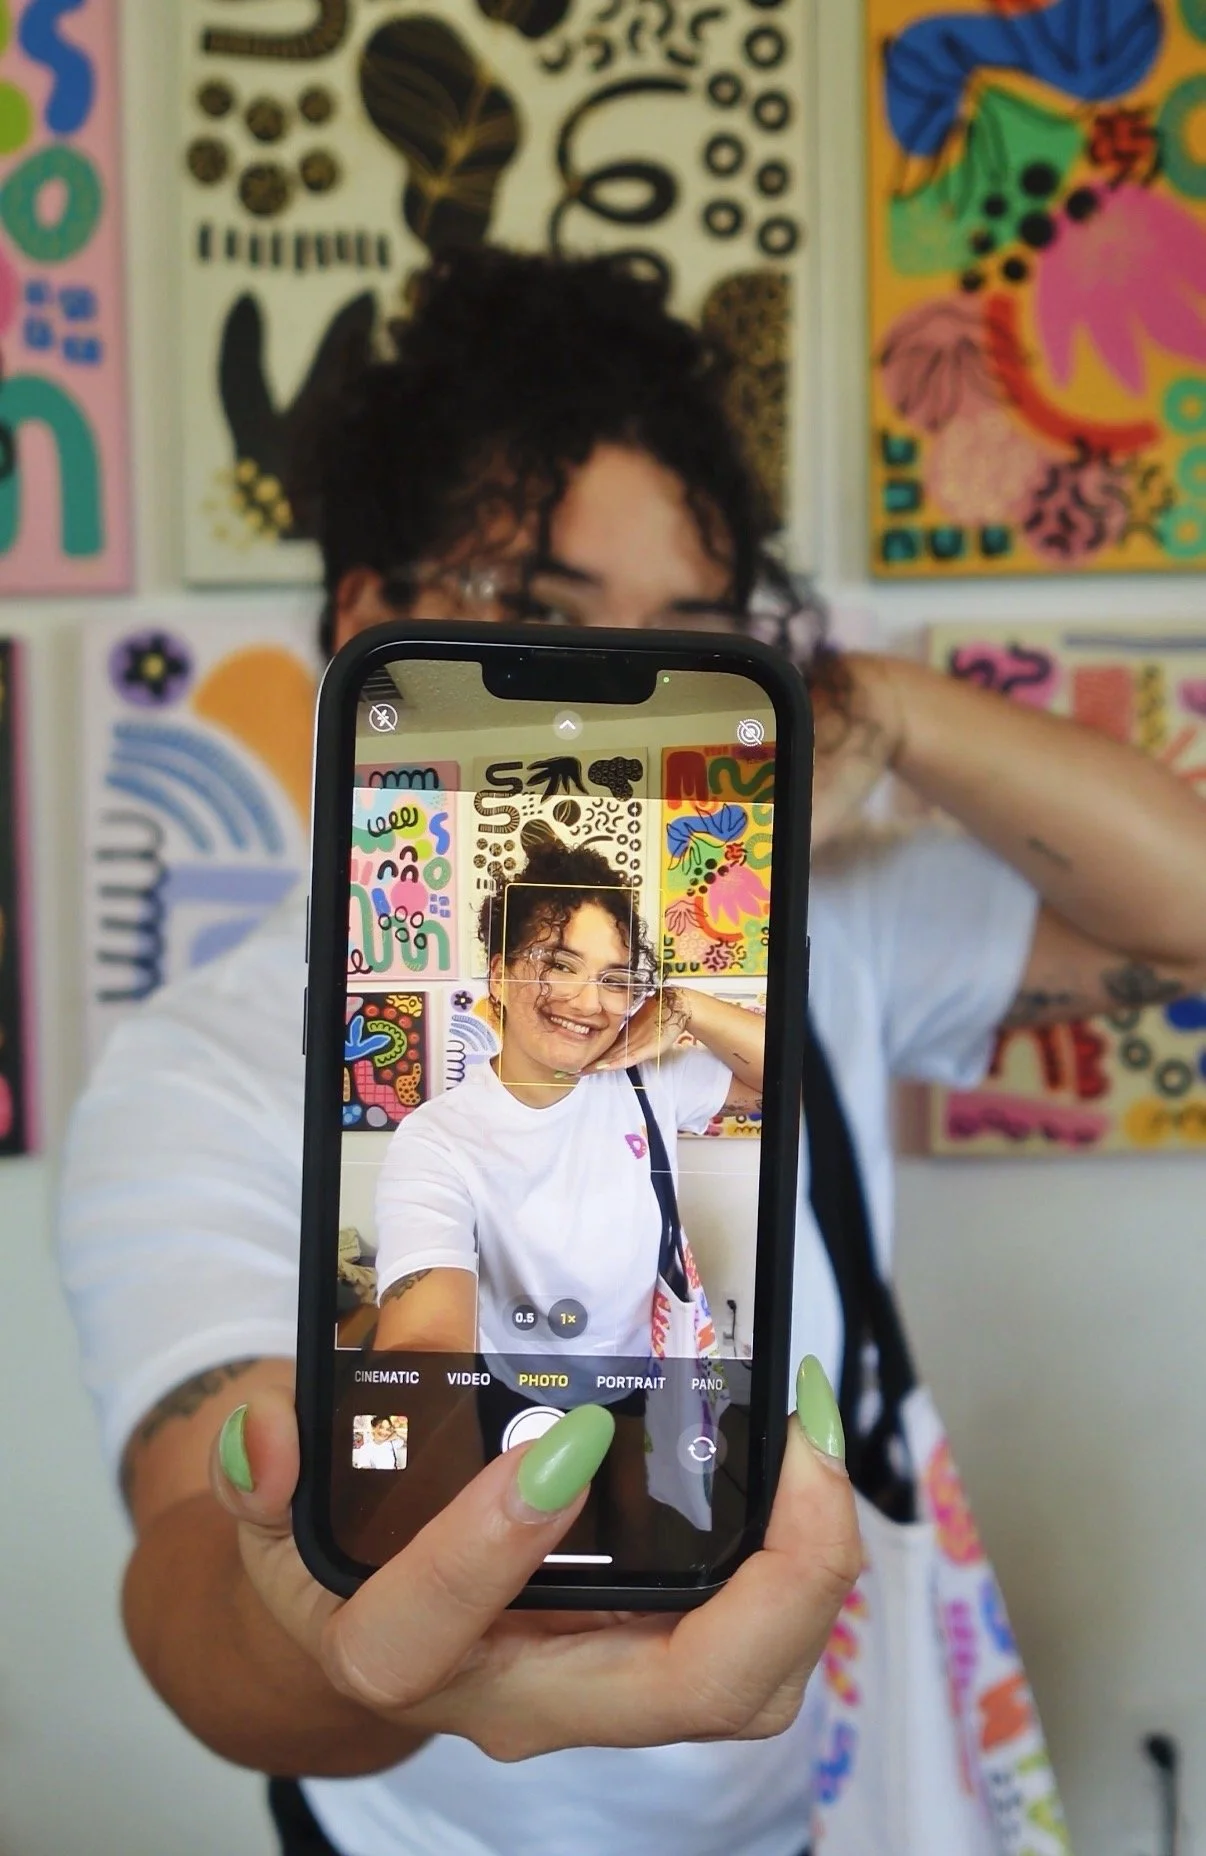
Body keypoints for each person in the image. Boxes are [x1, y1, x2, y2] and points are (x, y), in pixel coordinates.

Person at [57, 247, 1206, 1856]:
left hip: (837, 1799)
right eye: (538, 614)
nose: (620, 696)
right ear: (367, 622)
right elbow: (196, 1567)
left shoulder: (794, 954)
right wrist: (324, 1636)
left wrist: (855, 703)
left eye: (693, 633)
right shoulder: (219, 1075)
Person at [374, 839, 764, 1362]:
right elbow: (423, 1343)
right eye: (559, 964)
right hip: (510, 1408)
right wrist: (396, 1437)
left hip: (647, 1398)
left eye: (613, 979)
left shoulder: (650, 1082)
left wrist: (684, 1005)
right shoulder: (437, 1140)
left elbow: (802, 1085)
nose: (588, 1001)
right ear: (500, 975)